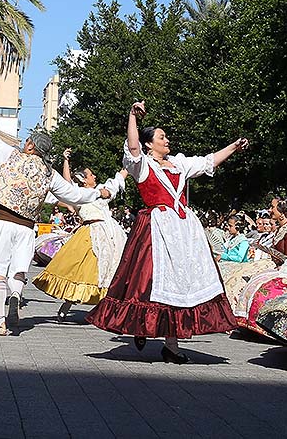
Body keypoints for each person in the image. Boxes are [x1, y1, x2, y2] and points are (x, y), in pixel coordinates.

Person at [86, 101, 248, 362]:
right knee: (148, 283)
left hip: (184, 232)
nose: (167, 139)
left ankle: (171, 347)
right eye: (162, 137)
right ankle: (142, 326)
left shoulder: (179, 164)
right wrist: (132, 117)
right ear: (150, 143)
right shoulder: (142, 166)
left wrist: (233, 147)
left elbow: (209, 162)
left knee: (180, 284)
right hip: (156, 230)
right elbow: (133, 147)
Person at [0, 111, 107, 335]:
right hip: (26, 227)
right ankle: (15, 295)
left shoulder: (11, 156)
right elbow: (73, 195)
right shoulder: (49, 173)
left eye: (29, 141)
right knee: (18, 271)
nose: (26, 143)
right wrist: (97, 193)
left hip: (1, 221)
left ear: (32, 147)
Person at [31, 150, 128, 322]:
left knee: (110, 271)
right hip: (90, 233)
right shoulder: (78, 195)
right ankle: (67, 306)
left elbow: (117, 180)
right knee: (81, 272)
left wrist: (132, 161)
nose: (95, 176)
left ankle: (105, 310)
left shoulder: (100, 190)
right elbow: (67, 184)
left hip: (110, 235)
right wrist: (65, 161)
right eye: (91, 174)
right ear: (84, 180)